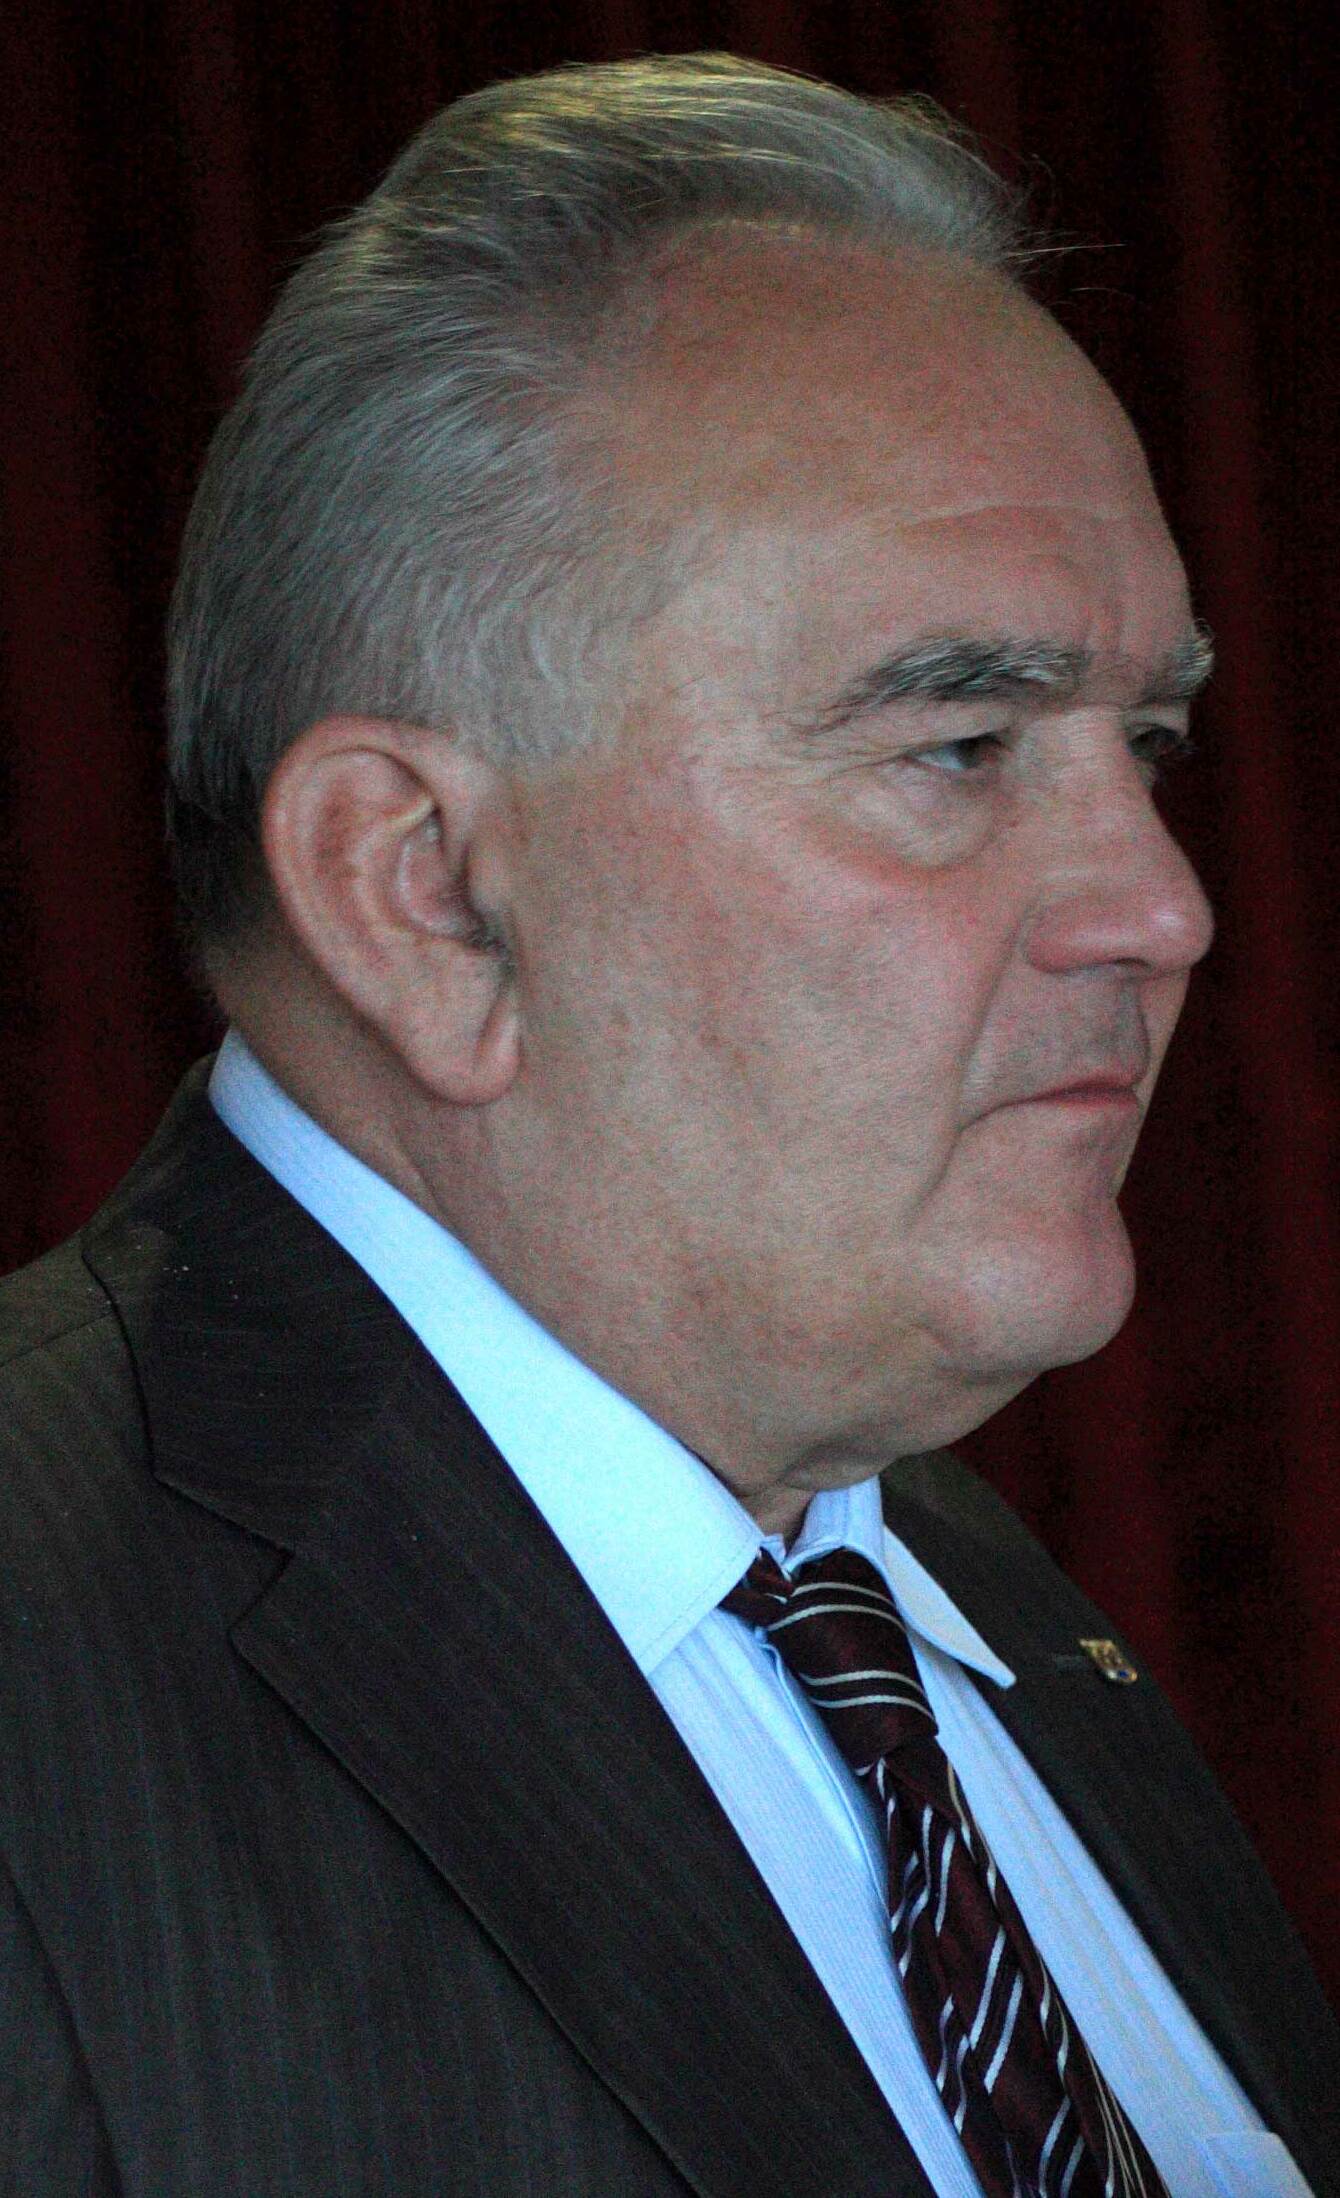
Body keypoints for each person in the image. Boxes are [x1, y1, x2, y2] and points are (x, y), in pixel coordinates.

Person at [1, 50, 1335, 2198]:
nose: (1162, 909)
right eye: (961, 744)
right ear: (425, 893)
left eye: (1148, 743)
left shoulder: (929, 1588)